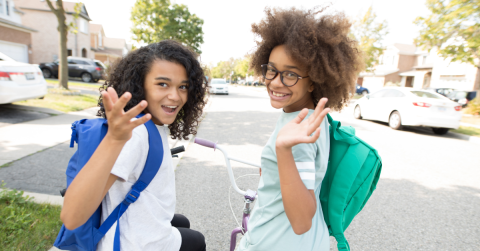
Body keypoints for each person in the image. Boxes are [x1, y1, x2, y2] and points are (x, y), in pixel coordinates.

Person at [60, 40, 208, 251]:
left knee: (181, 221)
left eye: (183, 86)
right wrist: (114, 140)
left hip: (137, 228)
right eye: (162, 84)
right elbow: (72, 218)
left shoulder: (152, 124)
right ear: (140, 85)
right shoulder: (136, 133)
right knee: (196, 241)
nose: (176, 96)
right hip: (133, 243)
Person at [237, 7, 364, 251]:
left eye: (290, 75)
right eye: (271, 70)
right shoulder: (311, 114)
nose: (275, 81)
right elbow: (307, 175)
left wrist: (283, 152)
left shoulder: (300, 131)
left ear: (313, 82)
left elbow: (301, 220)